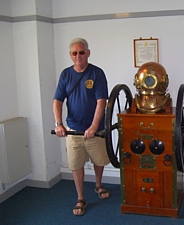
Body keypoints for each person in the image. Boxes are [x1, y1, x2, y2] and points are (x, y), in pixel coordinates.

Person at [53, 37, 110, 216]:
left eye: (81, 52)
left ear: (88, 53)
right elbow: (57, 101)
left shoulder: (97, 73)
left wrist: (94, 126)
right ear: (71, 55)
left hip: (96, 129)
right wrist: (59, 124)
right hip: (74, 129)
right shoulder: (65, 75)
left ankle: (98, 184)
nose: (78, 56)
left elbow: (102, 102)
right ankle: (80, 198)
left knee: (99, 160)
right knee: (76, 164)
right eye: (74, 53)